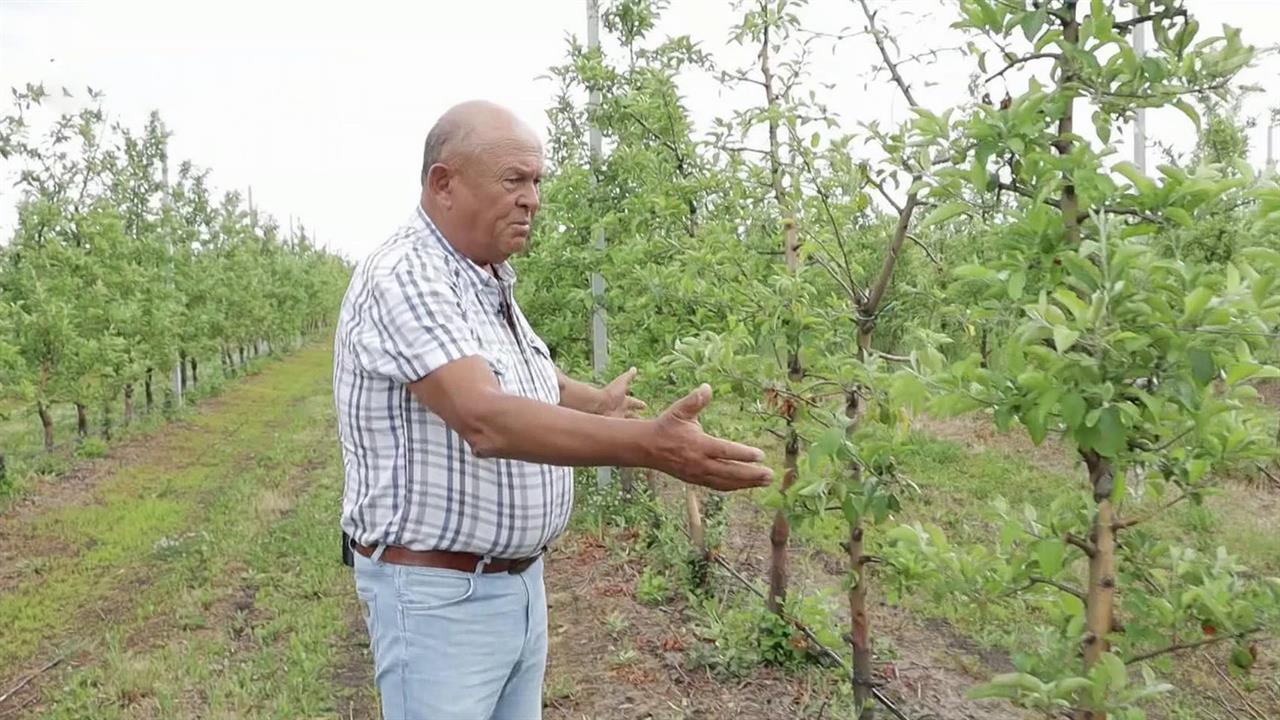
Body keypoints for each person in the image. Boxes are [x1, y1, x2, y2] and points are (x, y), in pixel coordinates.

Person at [333, 100, 773, 720]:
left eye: (537, 181)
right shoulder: (406, 273)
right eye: (514, 180)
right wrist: (648, 445)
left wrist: (597, 403)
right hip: (438, 600)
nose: (532, 199)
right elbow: (483, 416)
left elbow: (515, 374)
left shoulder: (484, 279)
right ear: (444, 183)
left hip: (515, 585)